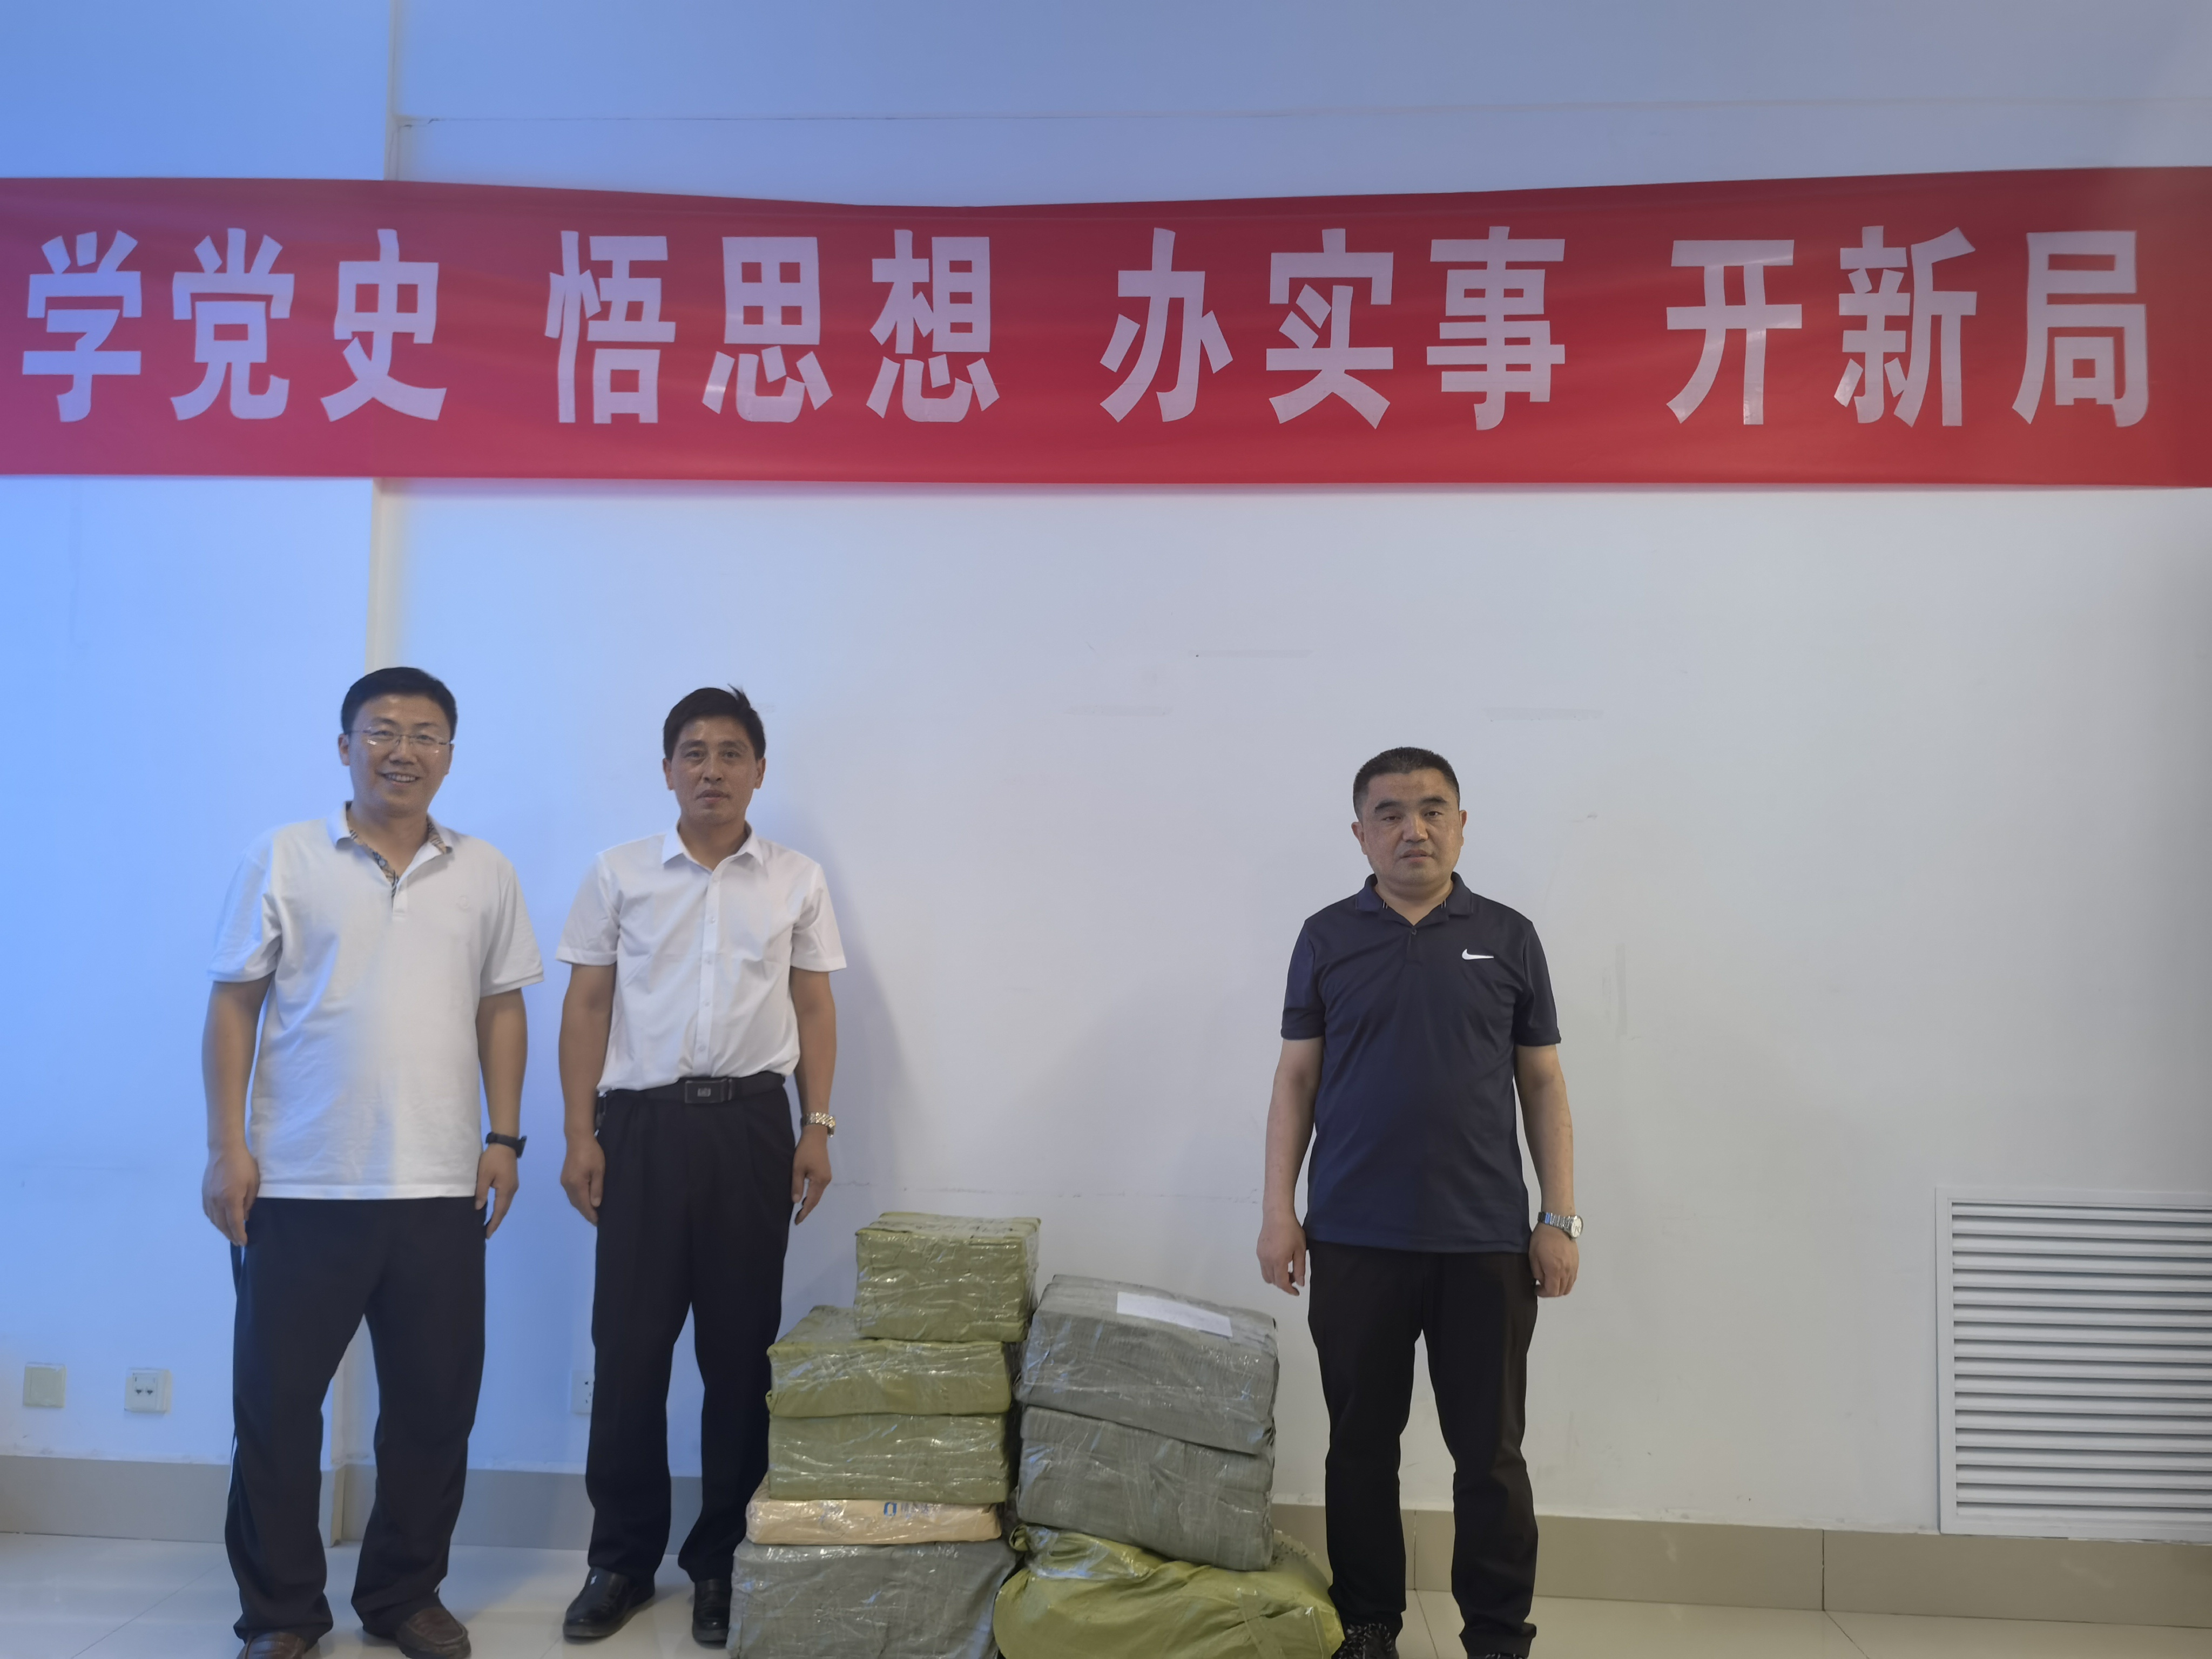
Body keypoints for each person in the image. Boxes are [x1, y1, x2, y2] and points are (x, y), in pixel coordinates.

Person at [201, 666, 543, 1659]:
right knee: (276, 1411)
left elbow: (502, 1007)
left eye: (426, 734)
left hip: (440, 1185)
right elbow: (234, 1005)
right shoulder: (284, 856)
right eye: (383, 730)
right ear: (345, 745)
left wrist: (504, 1138)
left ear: (450, 754)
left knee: (435, 1409)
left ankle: (403, 1594)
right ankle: (281, 1613)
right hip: (300, 1182)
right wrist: (227, 1147)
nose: (404, 750)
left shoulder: (485, 870)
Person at [1256, 747, 1581, 1659]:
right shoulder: (1326, 937)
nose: (1414, 830)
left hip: (1485, 1243)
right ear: (1361, 833)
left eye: (1433, 810)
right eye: (1391, 814)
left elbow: (1544, 1083)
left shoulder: (1509, 937)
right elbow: (1296, 1080)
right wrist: (1280, 1212)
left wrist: (1558, 1218)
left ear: (1462, 826)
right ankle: (1369, 1624)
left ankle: (1498, 1636)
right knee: (1362, 1447)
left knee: (1491, 1456)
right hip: (1355, 1239)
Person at [555, 686, 844, 1648]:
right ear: (667, 769)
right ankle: (620, 1561)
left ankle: (721, 1561)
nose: (711, 769)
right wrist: (580, 1133)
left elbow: (814, 1008)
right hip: (639, 1128)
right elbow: (587, 1006)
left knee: (738, 1353)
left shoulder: (796, 878)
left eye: (730, 753)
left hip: (753, 1129)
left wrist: (817, 1126)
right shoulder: (619, 873)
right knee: (629, 1353)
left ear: (759, 770)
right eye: (693, 752)